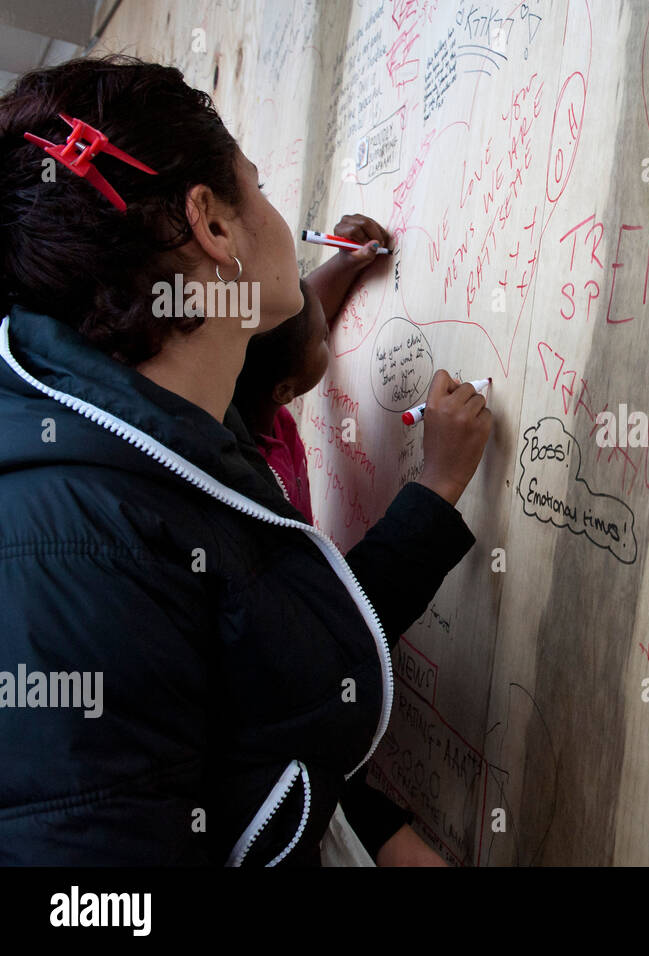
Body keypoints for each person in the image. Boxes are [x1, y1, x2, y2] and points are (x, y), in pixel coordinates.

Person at [0, 55, 492, 865]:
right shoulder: (73, 552)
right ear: (213, 225)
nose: (279, 215)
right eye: (256, 187)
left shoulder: (165, 431)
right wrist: (434, 493)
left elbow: (250, 725)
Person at [233, 214, 389, 523]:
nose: (331, 333)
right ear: (285, 390)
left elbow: (295, 325)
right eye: (323, 338)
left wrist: (346, 263)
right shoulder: (257, 482)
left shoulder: (251, 382)